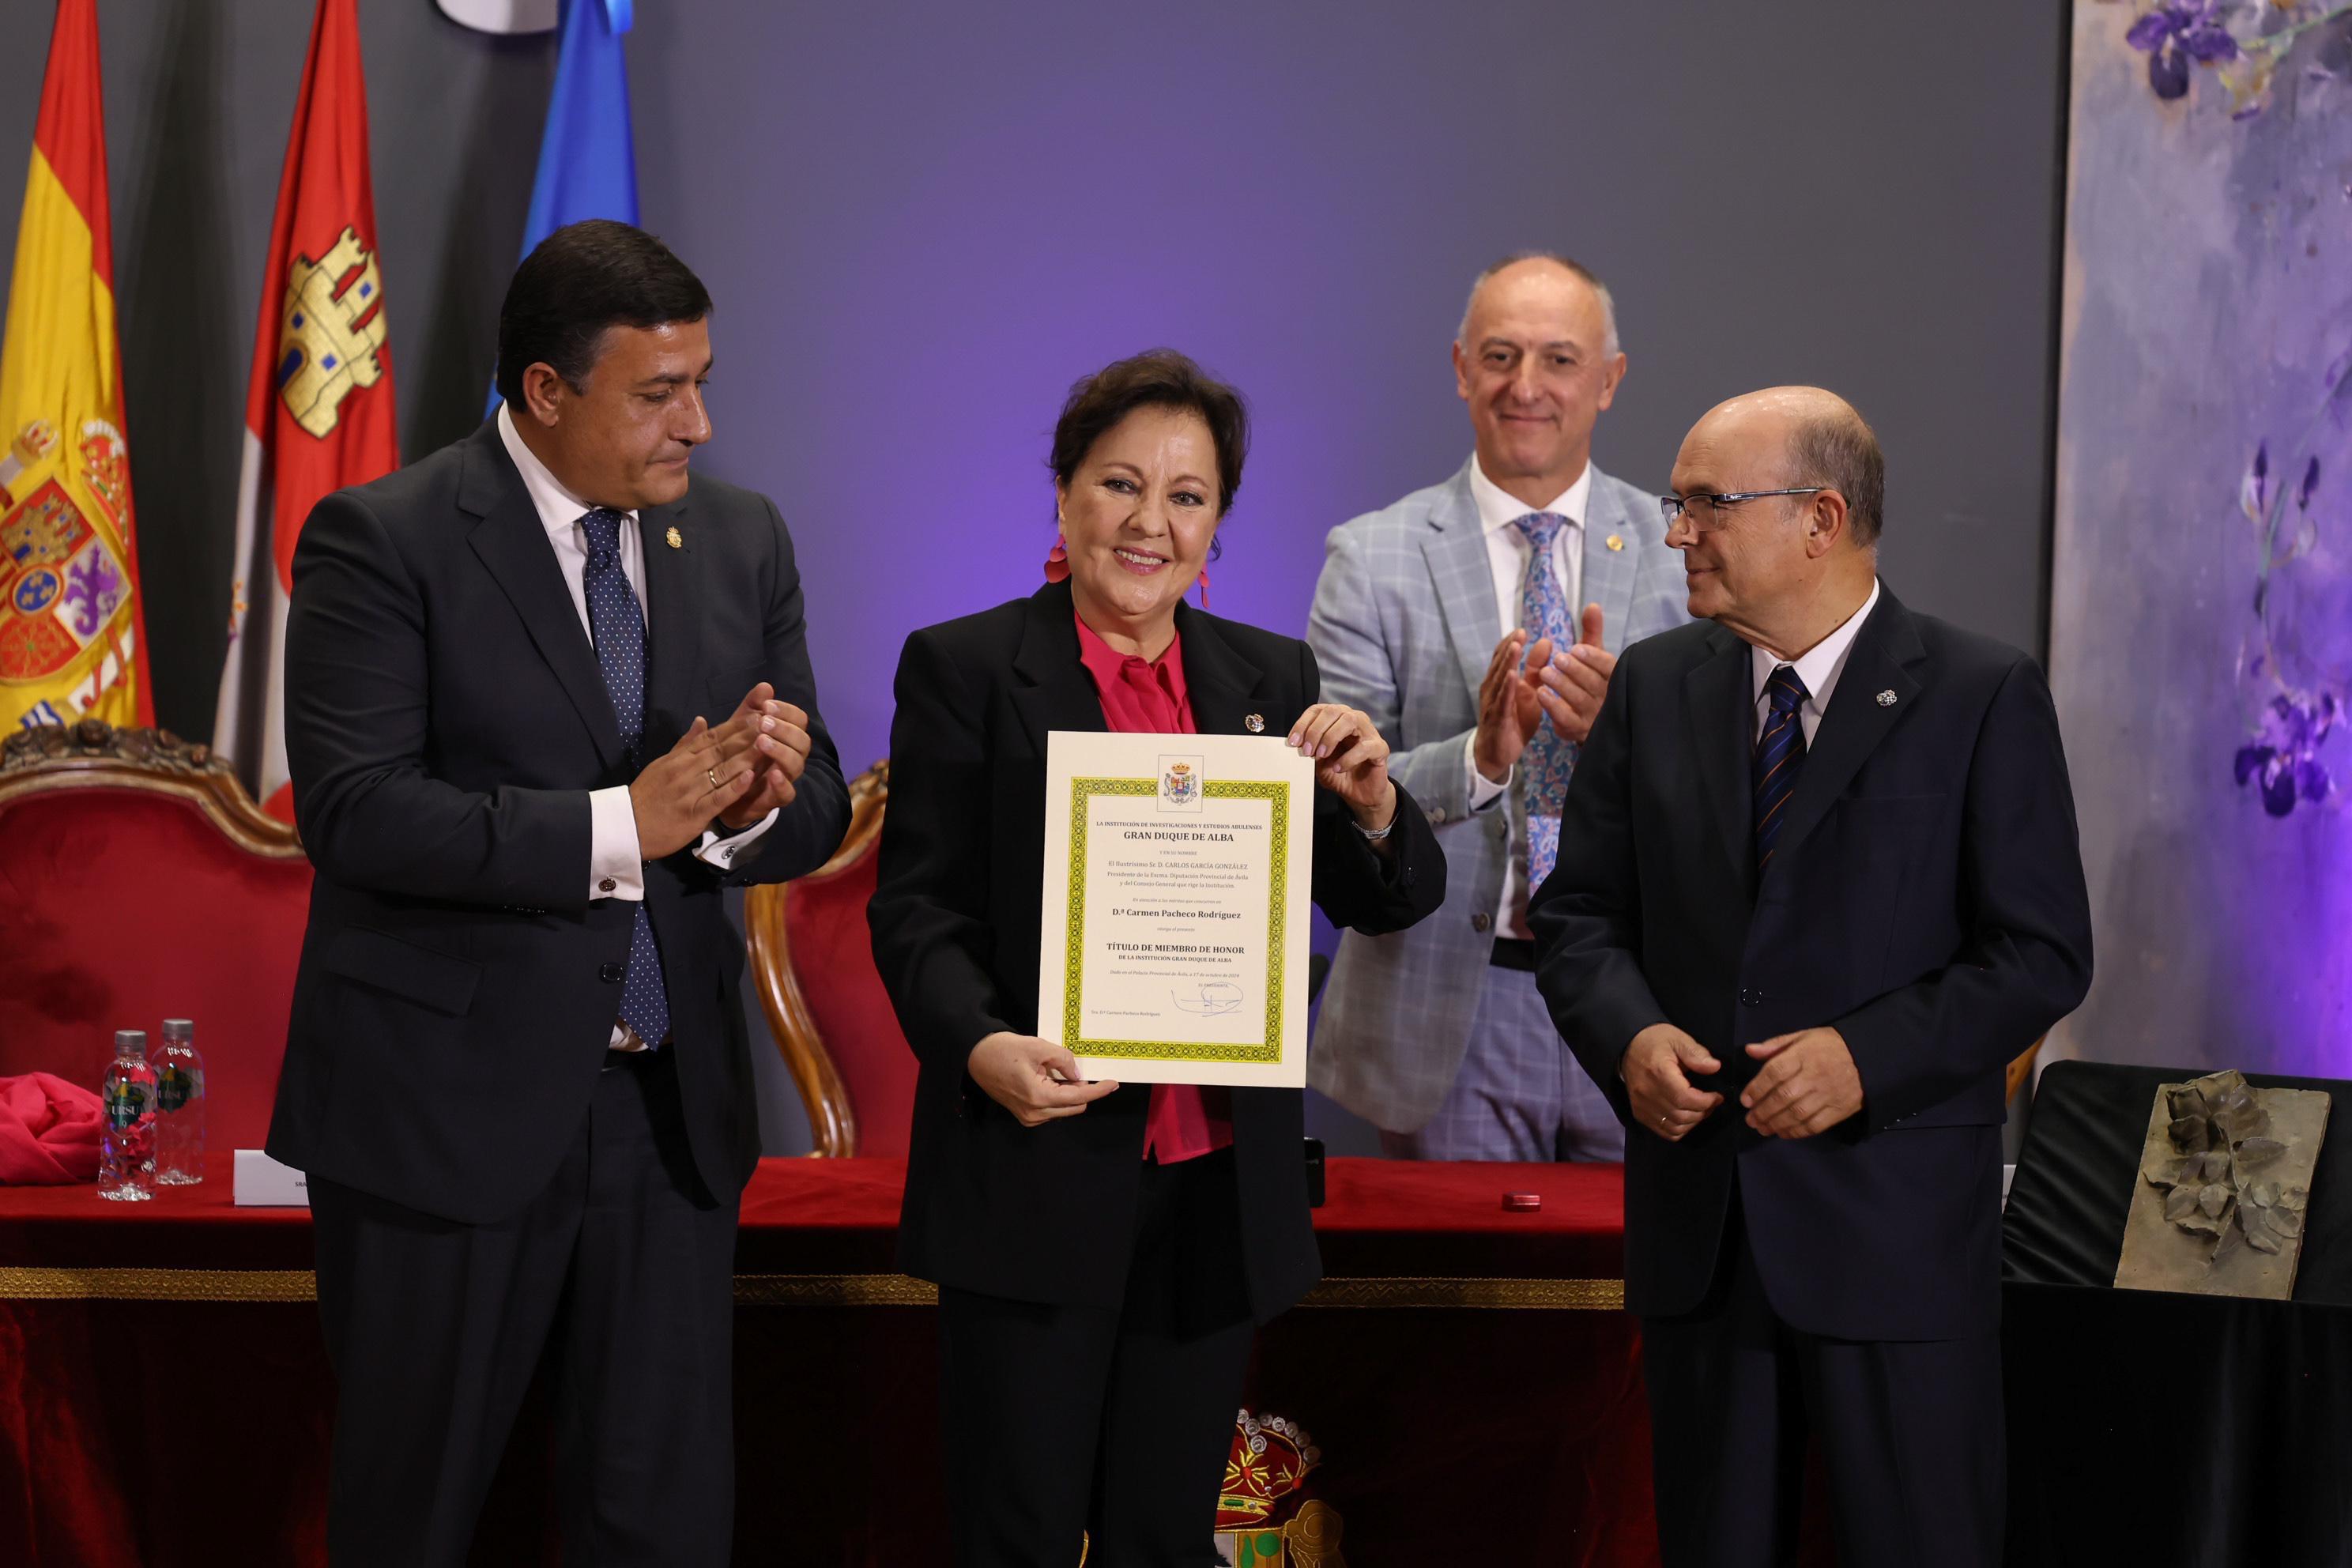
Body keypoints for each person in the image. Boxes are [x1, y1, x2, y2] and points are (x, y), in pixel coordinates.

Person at [267, 219, 852, 1566]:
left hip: (669, 1116)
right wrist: (619, 824)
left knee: (657, 1521)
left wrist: (747, 811)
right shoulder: (384, 535)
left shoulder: (742, 538)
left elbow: (812, 794)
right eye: (658, 391)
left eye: (701, 381)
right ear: (544, 390)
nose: (696, 423)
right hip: (444, 1121)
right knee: (415, 1515)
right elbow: (355, 810)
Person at [869, 349, 1446, 1566]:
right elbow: (918, 913)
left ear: (1219, 521)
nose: (1151, 522)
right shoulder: (967, 668)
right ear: (1066, 493)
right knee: (1014, 1532)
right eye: (1120, 484)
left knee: (1167, 1538)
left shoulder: (1268, 680)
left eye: (1187, 496)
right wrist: (981, 1048)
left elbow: (1385, 900)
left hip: (1209, 1193)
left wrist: (1371, 800)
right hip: (1036, 1176)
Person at [1532, 386, 2094, 1565]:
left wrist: (1864, 1059)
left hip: (1896, 1247)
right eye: (1681, 506)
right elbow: (1580, 915)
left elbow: (2041, 953)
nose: (1677, 531)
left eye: (1705, 505)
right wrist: (1629, 1038)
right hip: (1706, 1238)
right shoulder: (1651, 686)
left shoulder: (1982, 694)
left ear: (1820, 520)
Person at [1307, 253, 1689, 1160]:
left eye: (1560, 359)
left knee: (1637, 1298)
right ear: (1459, 368)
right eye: (1500, 355)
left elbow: (1737, 783)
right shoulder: (1373, 557)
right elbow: (1331, 783)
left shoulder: (1681, 553)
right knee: (1463, 1300)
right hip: (1446, 1012)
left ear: (1609, 380)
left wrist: (1620, 741)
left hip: (1642, 1002)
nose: (1527, 386)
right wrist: (1479, 758)